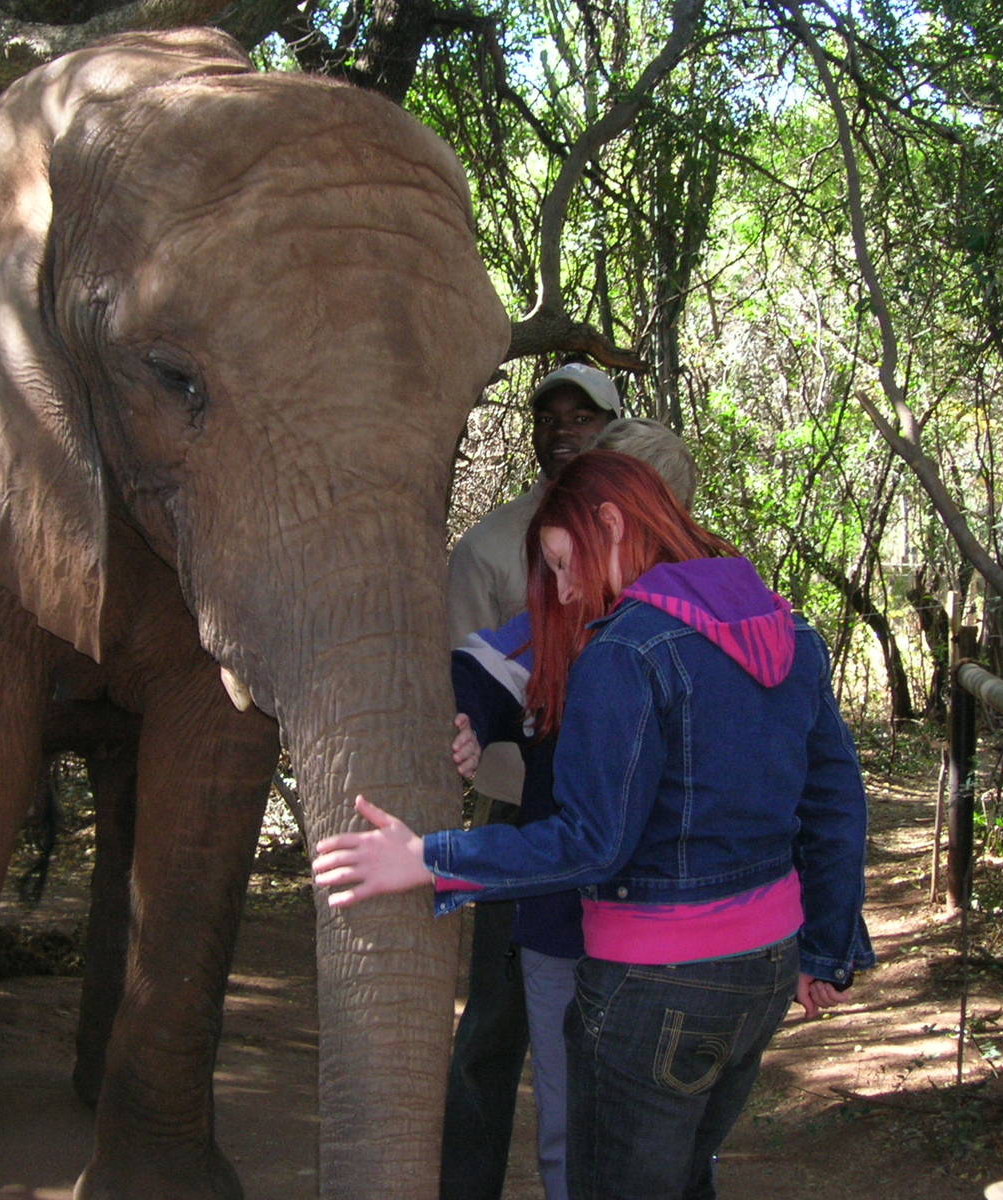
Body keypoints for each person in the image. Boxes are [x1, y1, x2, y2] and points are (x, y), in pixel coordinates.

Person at [316, 449, 875, 1200]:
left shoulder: (626, 650)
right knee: (683, 1180)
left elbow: (592, 842)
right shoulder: (788, 631)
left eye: (561, 559)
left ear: (611, 522)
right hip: (765, 970)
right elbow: (835, 803)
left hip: (656, 983)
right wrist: (828, 946)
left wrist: (430, 858)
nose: (566, 586)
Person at [452, 414, 698, 1200]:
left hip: (668, 927)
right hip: (562, 918)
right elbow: (488, 665)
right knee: (567, 1120)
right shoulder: (557, 613)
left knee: (665, 1129)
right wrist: (468, 719)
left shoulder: (704, 623)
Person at [440, 363, 620, 1200]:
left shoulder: (639, 526)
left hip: (623, 815)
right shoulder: (487, 545)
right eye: (548, 416)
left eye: (583, 416)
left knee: (609, 1015)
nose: (562, 429)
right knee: (497, 1022)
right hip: (519, 810)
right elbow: (472, 675)